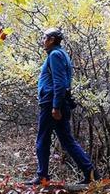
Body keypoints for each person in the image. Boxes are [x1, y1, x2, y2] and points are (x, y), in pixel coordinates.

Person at [28, 28, 100, 185]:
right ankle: (91, 173)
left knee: (43, 140)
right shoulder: (61, 54)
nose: (43, 40)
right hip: (57, 102)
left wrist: (55, 106)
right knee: (67, 141)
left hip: (51, 103)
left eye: (45, 37)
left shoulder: (55, 55)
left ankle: (42, 176)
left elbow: (59, 83)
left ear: (52, 39)